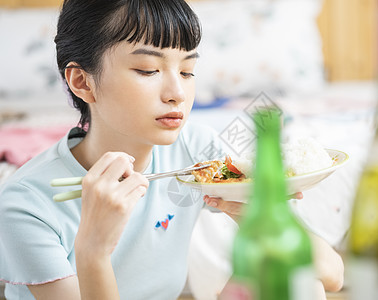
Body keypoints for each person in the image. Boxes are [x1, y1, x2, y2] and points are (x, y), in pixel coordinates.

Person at [0, 0, 343, 299]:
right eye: (147, 70)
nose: (177, 92)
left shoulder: (194, 150)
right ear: (82, 81)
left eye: (187, 70)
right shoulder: (25, 204)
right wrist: (92, 252)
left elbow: (331, 272)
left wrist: (259, 215)